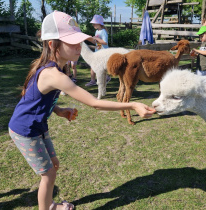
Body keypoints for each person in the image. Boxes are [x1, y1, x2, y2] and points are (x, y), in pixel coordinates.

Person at [8, 11, 155, 210]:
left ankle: (50, 205)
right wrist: (132, 104)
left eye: (80, 41)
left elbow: (34, 100)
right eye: (72, 42)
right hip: (25, 131)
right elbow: (94, 103)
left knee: (54, 164)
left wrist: (58, 110)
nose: (79, 46)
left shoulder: (56, 69)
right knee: (49, 173)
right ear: (52, 45)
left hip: (37, 126)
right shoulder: (53, 74)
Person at [85, 15, 111, 87]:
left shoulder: (103, 32)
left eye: (94, 23)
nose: (93, 25)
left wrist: (96, 39)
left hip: (103, 52)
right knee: (94, 66)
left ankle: (105, 78)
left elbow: (105, 42)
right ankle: (94, 80)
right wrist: (90, 39)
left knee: (98, 67)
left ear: (99, 23)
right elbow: (98, 43)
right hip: (98, 51)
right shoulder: (97, 31)